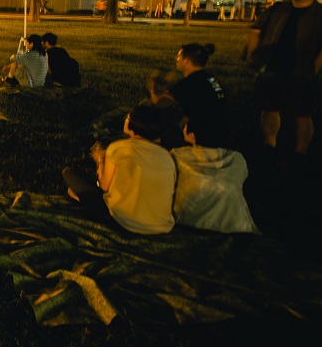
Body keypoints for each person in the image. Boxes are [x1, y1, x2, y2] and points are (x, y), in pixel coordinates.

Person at [63, 105, 176, 235]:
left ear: (134, 125)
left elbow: (104, 186)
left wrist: (100, 160)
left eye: (127, 117)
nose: (125, 120)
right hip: (161, 226)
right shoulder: (166, 156)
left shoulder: (118, 148)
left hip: (123, 222)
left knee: (69, 175)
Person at [245, 0, 322, 156]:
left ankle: (300, 151)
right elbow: (256, 30)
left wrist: (316, 67)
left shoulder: (319, 14)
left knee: (302, 112)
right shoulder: (278, 10)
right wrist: (252, 55)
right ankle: (269, 144)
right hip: (273, 66)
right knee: (269, 107)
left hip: (303, 69)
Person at [170, 118, 258, 234]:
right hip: (234, 225)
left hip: (187, 223)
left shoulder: (177, 156)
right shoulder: (236, 159)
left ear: (192, 135)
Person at [168, 43, 225, 138]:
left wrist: (154, 89)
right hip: (220, 131)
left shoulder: (186, 84)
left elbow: (164, 103)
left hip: (198, 134)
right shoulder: (212, 80)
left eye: (178, 57)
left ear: (187, 61)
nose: (176, 59)